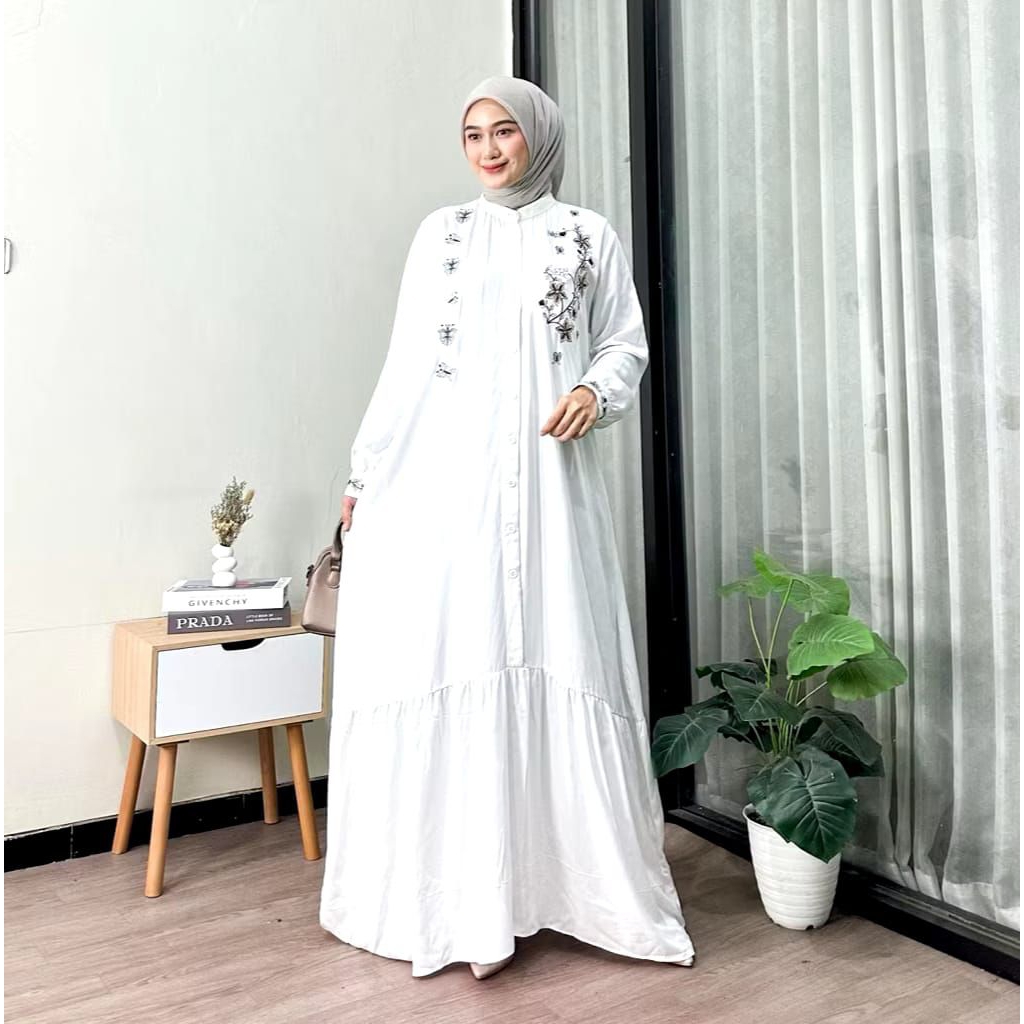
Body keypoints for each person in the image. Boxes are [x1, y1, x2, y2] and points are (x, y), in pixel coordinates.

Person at [319, 75, 696, 980]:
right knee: (468, 648)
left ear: (538, 137)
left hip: (553, 492)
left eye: (505, 132)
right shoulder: (442, 235)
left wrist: (593, 390)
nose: (488, 150)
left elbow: (624, 343)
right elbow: (407, 364)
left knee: (556, 644)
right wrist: (366, 472)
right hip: (448, 491)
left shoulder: (587, 236)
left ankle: (562, 888)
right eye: (473, 134)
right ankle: (467, 903)